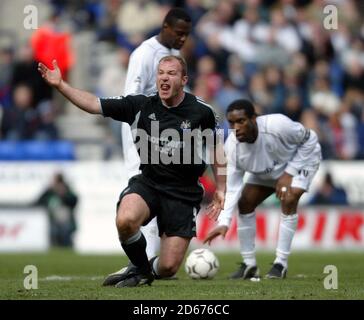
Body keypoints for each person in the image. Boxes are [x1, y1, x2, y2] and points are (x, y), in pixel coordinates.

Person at [38, 55, 226, 287]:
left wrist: (221, 187)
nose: (164, 78)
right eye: (161, 73)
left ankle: (145, 269)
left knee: (168, 267)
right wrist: (61, 85)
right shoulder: (140, 105)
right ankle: (140, 269)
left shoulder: (202, 112)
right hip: (149, 183)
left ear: (184, 79)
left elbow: (217, 148)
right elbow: (94, 104)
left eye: (171, 73)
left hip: (183, 192)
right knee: (126, 220)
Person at [204, 99, 321, 279]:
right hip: (268, 171)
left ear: (254, 118)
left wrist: (288, 174)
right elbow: (233, 188)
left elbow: (310, 139)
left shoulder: (278, 125)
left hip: (300, 161)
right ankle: (249, 265)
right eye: (231, 123)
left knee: (288, 198)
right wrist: (224, 222)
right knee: (245, 202)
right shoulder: (232, 148)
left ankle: (280, 264)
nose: (236, 127)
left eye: (241, 121)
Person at [119, 8, 192, 276]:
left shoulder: (176, 56)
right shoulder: (143, 54)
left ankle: (150, 262)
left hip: (168, 140)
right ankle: (144, 261)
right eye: (180, 33)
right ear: (165, 27)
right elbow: (131, 100)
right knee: (146, 193)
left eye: (187, 35)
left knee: (164, 193)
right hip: (142, 138)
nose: (183, 39)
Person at [35, 172, 78, 247]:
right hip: (52, 217)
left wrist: (63, 194)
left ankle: (68, 248)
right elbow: (39, 201)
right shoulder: (50, 191)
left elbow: (74, 201)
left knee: (65, 234)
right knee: (53, 234)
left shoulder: (67, 189)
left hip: (65, 218)